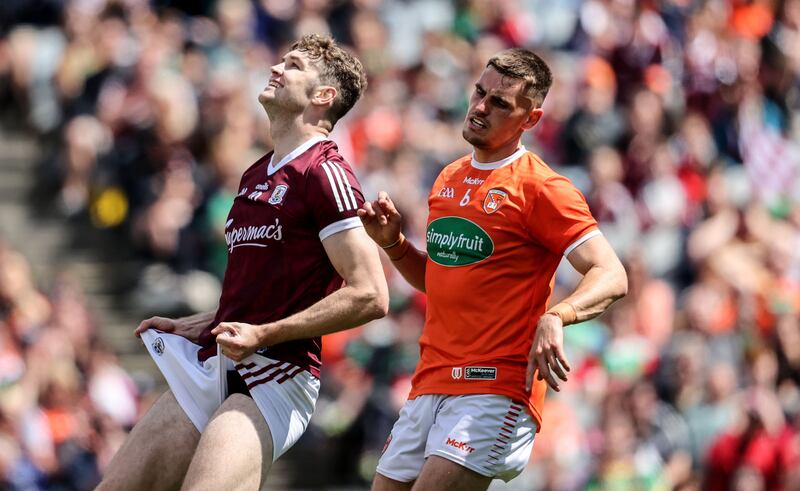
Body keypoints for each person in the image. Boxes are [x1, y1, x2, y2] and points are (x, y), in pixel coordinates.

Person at [98, 34, 389, 490]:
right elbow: (262, 295)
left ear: (323, 96)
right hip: (218, 359)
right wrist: (200, 322)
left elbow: (371, 294)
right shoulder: (256, 173)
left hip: (278, 373)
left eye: (292, 65)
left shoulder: (324, 172)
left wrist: (266, 334)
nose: (276, 68)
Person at [358, 48, 628, 490]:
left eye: (500, 103)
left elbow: (611, 273)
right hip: (430, 380)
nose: (481, 107)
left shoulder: (543, 188)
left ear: (531, 119)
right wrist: (393, 243)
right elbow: (440, 281)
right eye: (480, 93)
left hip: (493, 387)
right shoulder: (448, 178)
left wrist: (558, 315)